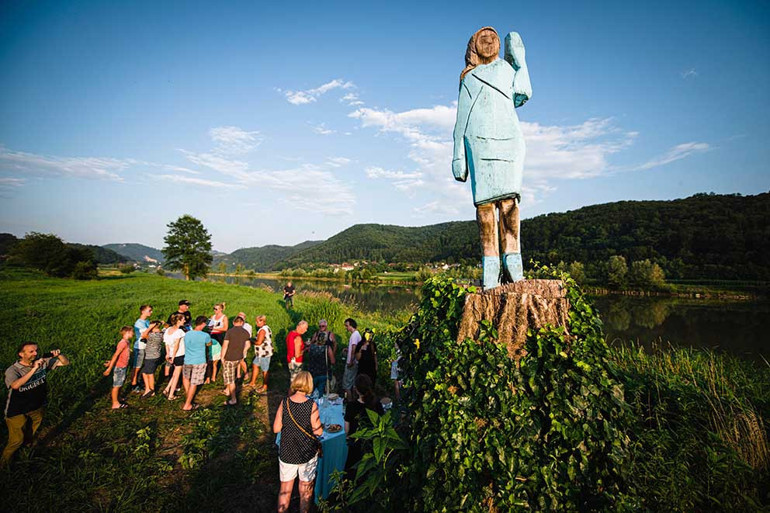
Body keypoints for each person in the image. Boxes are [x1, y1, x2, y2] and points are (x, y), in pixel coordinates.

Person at [452, 27, 532, 289]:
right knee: (485, 208)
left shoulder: (508, 71)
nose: (488, 42)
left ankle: (513, 258)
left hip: (509, 140)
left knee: (510, 204)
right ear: (474, 46)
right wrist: (458, 156)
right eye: (482, 39)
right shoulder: (469, 78)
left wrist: (519, 59)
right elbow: (460, 121)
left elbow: (523, 93)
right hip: (479, 143)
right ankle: (490, 262)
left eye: (492, 39)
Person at [3, 343, 69, 466]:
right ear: (21, 354)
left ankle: (25, 452)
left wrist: (59, 355)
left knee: (31, 432)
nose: (35, 353)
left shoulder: (42, 362)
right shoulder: (13, 370)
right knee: (16, 440)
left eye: (36, 351)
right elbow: (15, 385)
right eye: (31, 352)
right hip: (17, 410)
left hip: (36, 406)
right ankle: (4, 464)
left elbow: (65, 363)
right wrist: (33, 369)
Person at [273, 371, 323, 513]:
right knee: (305, 490)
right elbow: (318, 432)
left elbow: (276, 428)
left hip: (287, 451)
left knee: (285, 490)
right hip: (306, 452)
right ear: (309, 385)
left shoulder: (285, 403)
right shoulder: (311, 405)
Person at [344, 374, 384, 472]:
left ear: (356, 389)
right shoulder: (376, 404)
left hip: (356, 448)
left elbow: (347, 430)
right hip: (372, 445)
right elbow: (382, 423)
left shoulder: (351, 406)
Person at [182, 316, 212, 411]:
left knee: (186, 378)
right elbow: (209, 344)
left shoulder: (187, 334)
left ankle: (188, 395)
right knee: (194, 383)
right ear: (203, 324)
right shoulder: (205, 335)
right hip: (199, 361)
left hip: (187, 359)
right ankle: (188, 404)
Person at [220, 316, 250, 406]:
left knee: (230, 379)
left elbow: (225, 345)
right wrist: (242, 352)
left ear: (233, 323)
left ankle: (233, 399)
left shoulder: (230, 332)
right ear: (242, 323)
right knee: (232, 375)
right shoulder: (246, 332)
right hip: (239, 357)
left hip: (229, 358)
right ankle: (228, 391)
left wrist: (222, 357)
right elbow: (248, 345)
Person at [103, 326, 133, 409]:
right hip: (119, 367)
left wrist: (110, 362)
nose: (133, 334)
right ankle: (115, 403)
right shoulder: (123, 343)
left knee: (120, 384)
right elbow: (116, 355)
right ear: (127, 332)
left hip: (123, 366)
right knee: (116, 385)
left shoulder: (127, 342)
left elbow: (119, 356)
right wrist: (109, 368)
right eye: (131, 332)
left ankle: (118, 398)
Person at [163, 313, 186, 400]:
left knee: (174, 374)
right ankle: (171, 395)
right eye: (183, 319)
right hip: (178, 355)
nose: (184, 321)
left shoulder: (168, 330)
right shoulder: (179, 332)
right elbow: (176, 345)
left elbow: (167, 344)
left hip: (171, 354)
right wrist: (173, 355)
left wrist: (168, 353)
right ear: (178, 321)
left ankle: (167, 389)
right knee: (176, 375)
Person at [247, 315, 273, 393]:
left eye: (258, 321)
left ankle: (265, 386)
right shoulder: (266, 328)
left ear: (263, 321)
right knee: (255, 365)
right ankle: (252, 382)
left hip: (264, 353)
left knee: (265, 370)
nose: (256, 323)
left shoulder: (262, 330)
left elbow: (258, 342)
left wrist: (251, 340)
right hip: (260, 353)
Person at [131, 304, 153, 393]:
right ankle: (133, 384)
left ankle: (139, 381)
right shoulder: (139, 323)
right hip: (139, 347)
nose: (151, 312)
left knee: (142, 365)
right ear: (143, 311)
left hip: (145, 346)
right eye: (149, 310)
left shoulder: (146, 321)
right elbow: (144, 335)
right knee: (137, 366)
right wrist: (151, 328)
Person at [306, 330, 335, 396]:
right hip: (323, 373)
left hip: (312, 372)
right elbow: (333, 361)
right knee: (321, 393)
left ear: (317, 338)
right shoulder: (327, 348)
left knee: (311, 392)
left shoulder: (311, 347)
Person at [140, 320, 165, 398]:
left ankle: (152, 390)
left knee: (150, 373)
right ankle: (148, 388)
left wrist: (149, 328)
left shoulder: (153, 335)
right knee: (144, 371)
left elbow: (143, 335)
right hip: (155, 355)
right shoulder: (161, 334)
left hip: (151, 356)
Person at [207, 302, 228, 383]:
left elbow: (225, 328)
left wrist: (215, 329)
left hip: (219, 335)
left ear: (221, 309)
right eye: (214, 309)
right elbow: (209, 326)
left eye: (216, 309)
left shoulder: (224, 317)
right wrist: (210, 328)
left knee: (219, 352)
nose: (214, 310)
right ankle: (209, 372)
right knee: (210, 352)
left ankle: (217, 371)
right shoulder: (212, 316)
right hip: (211, 335)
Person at [342, 318, 361, 400]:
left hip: (352, 363)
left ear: (351, 325)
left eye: (347, 326)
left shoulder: (354, 335)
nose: (346, 328)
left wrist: (351, 361)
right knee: (353, 384)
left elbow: (354, 348)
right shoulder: (357, 334)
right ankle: (353, 401)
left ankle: (349, 402)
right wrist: (347, 349)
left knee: (347, 385)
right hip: (356, 362)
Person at [236, 312, 252, 380]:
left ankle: (246, 373)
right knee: (237, 360)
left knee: (241, 360)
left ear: (244, 318)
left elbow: (248, 337)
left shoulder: (248, 326)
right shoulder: (236, 324)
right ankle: (238, 374)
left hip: (244, 345)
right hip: (237, 344)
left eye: (242, 317)